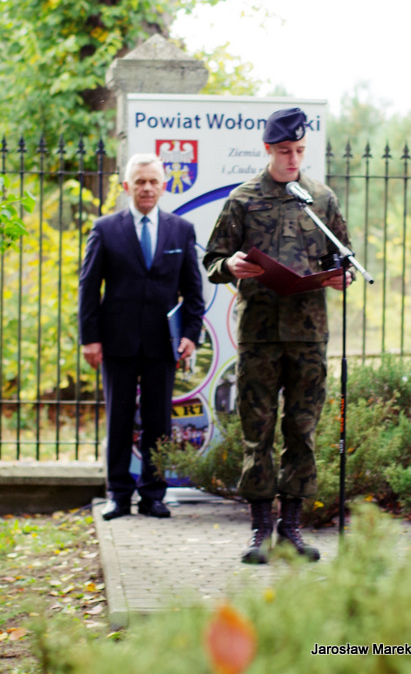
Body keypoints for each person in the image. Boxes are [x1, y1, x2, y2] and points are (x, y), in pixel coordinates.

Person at [203, 107, 353, 563]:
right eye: (285, 151)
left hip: (309, 334)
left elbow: (343, 258)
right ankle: (259, 531)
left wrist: (340, 276)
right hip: (260, 334)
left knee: (302, 430)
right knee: (258, 430)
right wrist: (229, 265)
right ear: (268, 149)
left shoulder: (321, 199)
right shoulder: (243, 199)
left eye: (300, 151)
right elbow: (212, 261)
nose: (293, 159)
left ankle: (291, 528)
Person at [79, 153, 204, 520]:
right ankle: (118, 495)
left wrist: (191, 334)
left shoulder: (181, 230)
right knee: (119, 419)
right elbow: (89, 287)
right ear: (126, 187)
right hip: (116, 340)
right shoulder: (105, 228)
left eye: (153, 182)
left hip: (162, 343)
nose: (147, 188)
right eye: (140, 182)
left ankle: (153, 494)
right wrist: (90, 338)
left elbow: (193, 291)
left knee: (158, 421)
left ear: (163, 186)